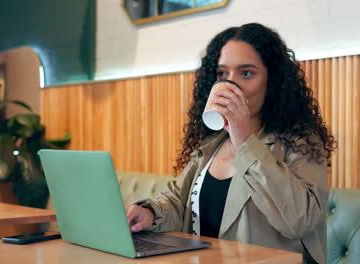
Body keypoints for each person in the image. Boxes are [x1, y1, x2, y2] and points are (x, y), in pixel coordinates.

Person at [125, 23, 336, 264]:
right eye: (222, 74)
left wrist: (245, 140)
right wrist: (150, 212)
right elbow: (178, 202)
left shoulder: (300, 142)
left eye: (246, 73)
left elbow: (300, 220)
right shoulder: (213, 143)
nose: (230, 85)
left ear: (273, 81)